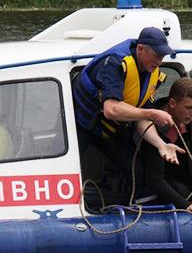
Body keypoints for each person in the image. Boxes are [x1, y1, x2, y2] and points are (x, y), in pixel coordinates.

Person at [72, 26, 182, 174]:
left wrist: (162, 145)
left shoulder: (152, 73)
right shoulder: (115, 63)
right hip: (80, 125)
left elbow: (141, 117)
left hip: (112, 130)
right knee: (66, 171)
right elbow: (111, 109)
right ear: (141, 49)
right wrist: (151, 114)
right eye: (157, 55)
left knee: (136, 172)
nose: (159, 62)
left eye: (162, 57)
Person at [138, 78, 192, 216]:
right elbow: (155, 180)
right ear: (172, 103)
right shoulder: (153, 131)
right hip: (160, 188)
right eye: (189, 108)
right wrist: (187, 205)